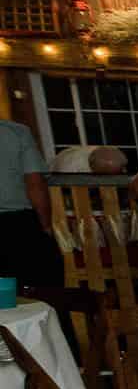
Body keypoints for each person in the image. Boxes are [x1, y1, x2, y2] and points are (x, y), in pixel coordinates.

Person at [0, 113, 62, 293]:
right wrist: (45, 227)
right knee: (42, 296)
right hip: (17, 227)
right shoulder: (15, 132)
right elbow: (35, 184)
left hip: (16, 226)